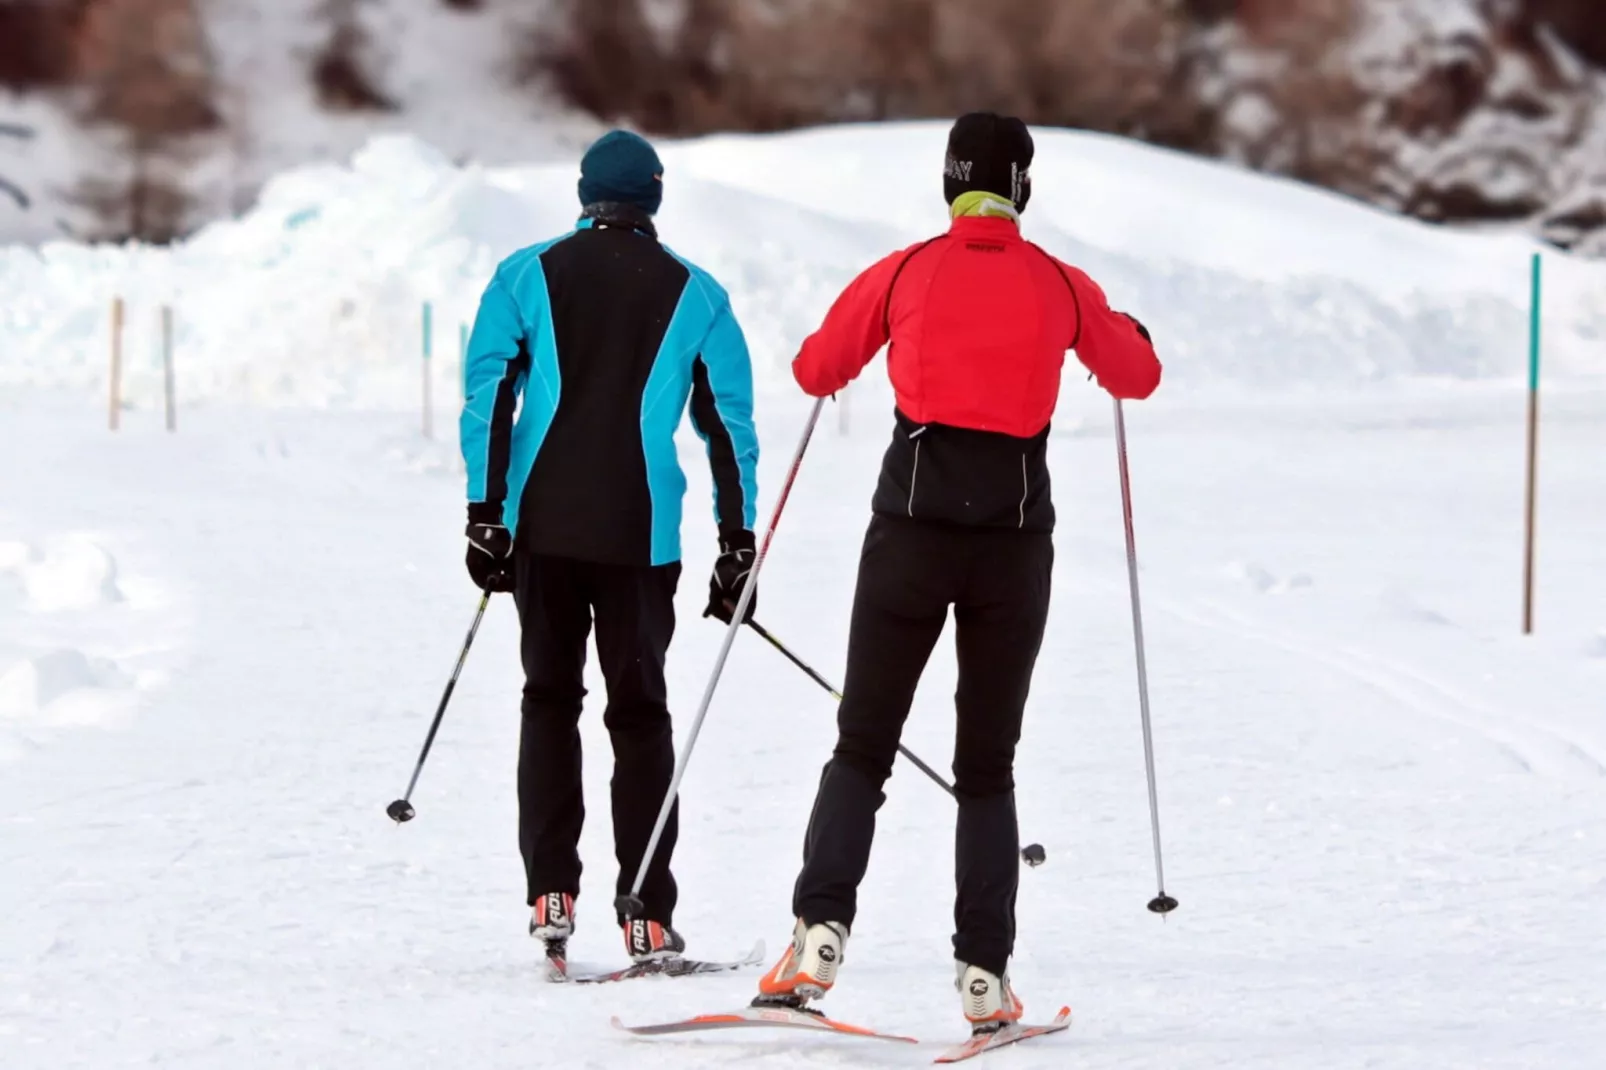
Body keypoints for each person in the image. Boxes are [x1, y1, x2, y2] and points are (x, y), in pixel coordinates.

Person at [755, 113, 1162, 1030]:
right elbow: (1136, 375)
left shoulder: (905, 271)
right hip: (1014, 550)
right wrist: (1125, 329)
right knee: (987, 766)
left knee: (863, 741)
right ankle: (984, 974)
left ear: (950, 183)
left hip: (908, 537)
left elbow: (816, 368)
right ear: (1020, 187)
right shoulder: (1059, 283)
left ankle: (818, 935)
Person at [459, 129, 760, 966]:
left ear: (586, 193)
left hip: (543, 531)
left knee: (548, 702)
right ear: (653, 198)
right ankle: (646, 913)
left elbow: (490, 396)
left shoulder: (523, 274)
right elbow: (728, 430)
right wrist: (739, 545)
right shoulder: (697, 295)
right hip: (640, 538)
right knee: (640, 716)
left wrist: (486, 515)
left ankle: (550, 892)